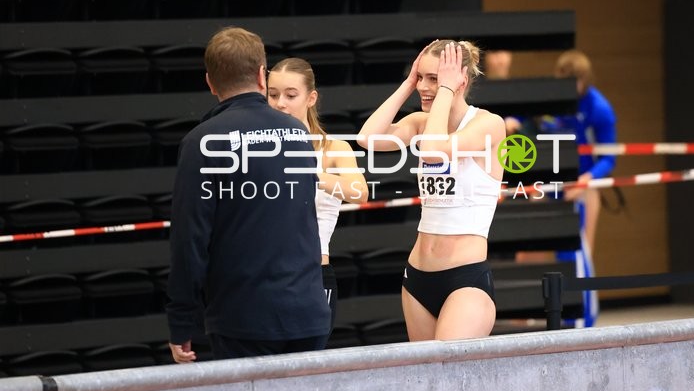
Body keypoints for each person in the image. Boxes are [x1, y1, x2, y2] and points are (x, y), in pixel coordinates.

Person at [167, 27, 330, 362]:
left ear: (210, 82)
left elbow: (189, 239)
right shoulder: (297, 132)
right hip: (307, 311)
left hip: (244, 320)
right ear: (261, 75)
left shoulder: (202, 142)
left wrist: (181, 322)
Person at [358, 40, 506, 341]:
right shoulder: (421, 123)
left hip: (464, 279)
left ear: (460, 80)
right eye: (420, 77)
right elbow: (367, 138)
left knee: (447, 368)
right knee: (424, 369)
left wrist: (446, 90)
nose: (423, 87)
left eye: (434, 79)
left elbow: (434, 151)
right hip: (418, 276)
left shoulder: (488, 124)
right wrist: (407, 84)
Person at [267, 57, 368, 334]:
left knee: (308, 356)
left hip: (312, 274)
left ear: (311, 98)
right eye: (273, 95)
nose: (280, 103)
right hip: (264, 273)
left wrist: (308, 171)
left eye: (290, 95)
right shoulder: (258, 149)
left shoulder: (334, 148)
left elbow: (359, 192)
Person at [523, 49, 617, 327]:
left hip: (580, 188)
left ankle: (581, 320)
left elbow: (609, 158)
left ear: (584, 80)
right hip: (547, 184)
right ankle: (527, 317)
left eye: (573, 82)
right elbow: (523, 118)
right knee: (529, 252)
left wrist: (587, 179)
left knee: (577, 255)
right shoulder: (550, 99)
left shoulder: (599, 108)